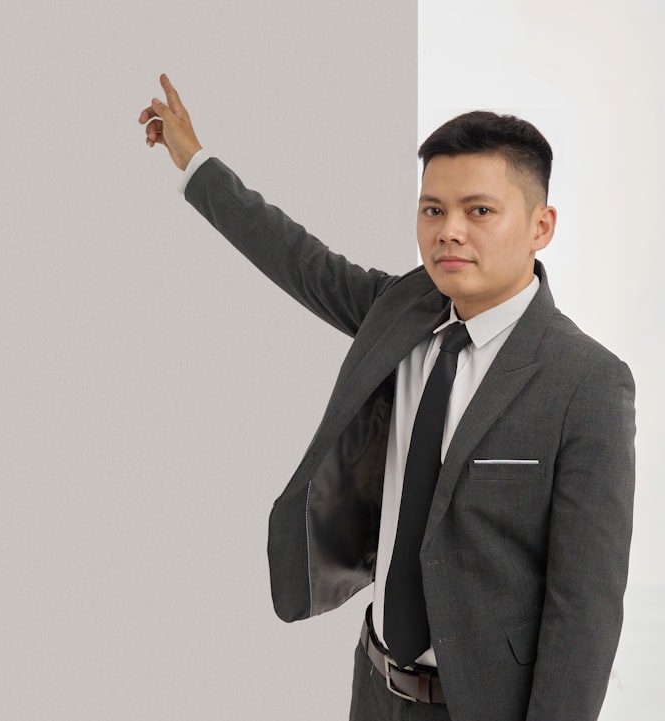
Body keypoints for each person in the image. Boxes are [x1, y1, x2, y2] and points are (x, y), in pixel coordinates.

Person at [139, 73, 636, 721]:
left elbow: (585, 610)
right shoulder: (402, 309)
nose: (449, 231)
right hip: (375, 686)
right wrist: (195, 163)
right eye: (433, 210)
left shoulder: (587, 381)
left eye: (479, 211)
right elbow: (300, 260)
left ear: (541, 226)